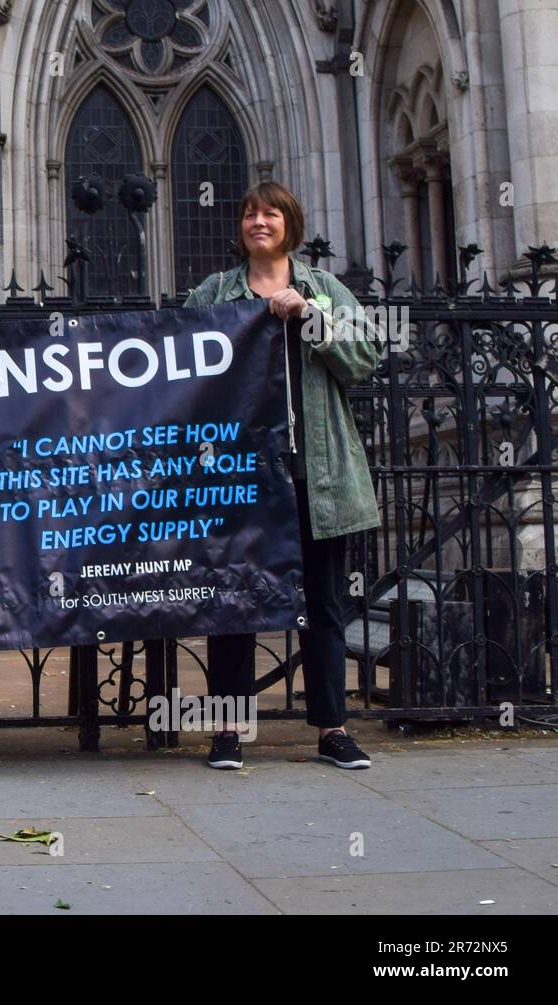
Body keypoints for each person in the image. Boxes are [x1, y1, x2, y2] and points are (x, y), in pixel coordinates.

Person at [183, 180, 381, 771]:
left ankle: (332, 730)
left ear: (289, 224)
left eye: (270, 213)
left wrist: (310, 317)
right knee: (233, 602)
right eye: (249, 214)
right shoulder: (214, 293)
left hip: (315, 477)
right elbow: (179, 378)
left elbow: (364, 358)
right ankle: (228, 729)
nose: (259, 221)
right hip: (242, 477)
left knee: (324, 604)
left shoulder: (324, 289)